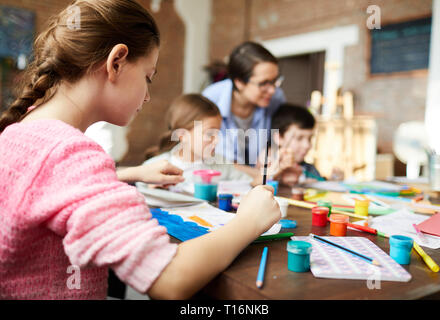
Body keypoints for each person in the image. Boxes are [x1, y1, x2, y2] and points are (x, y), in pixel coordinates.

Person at [0, 0, 280, 300]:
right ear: (116, 61)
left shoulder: (23, 132)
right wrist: (249, 221)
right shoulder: (68, 154)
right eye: (148, 77)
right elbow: (168, 279)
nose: (147, 96)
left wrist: (129, 173)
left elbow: (46, 189)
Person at [143, 93, 262, 193]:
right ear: (182, 135)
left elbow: (248, 184)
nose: (217, 140)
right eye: (209, 134)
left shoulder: (221, 164)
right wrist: (151, 190)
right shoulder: (155, 167)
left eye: (218, 133)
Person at [202, 41, 286, 166]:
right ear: (239, 82)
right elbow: (218, 161)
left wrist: (276, 153)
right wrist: (259, 175)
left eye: (275, 81)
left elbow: (282, 135)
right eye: (264, 83)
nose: (272, 90)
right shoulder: (211, 99)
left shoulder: (276, 98)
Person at [261, 103, 343, 186]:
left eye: (310, 138)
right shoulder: (268, 159)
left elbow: (321, 183)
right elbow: (259, 181)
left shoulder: (309, 168)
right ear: (279, 138)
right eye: (299, 138)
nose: (307, 145)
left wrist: (332, 181)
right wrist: (278, 172)